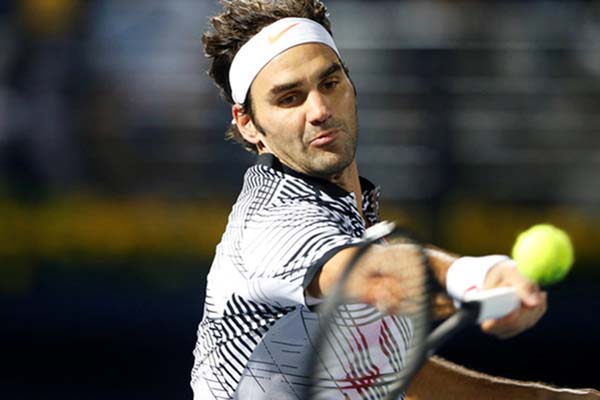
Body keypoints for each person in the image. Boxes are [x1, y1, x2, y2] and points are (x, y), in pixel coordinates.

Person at [191, 1, 599, 399]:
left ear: (350, 83)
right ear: (248, 125)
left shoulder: (352, 217)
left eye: (329, 83)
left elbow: (392, 377)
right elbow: (375, 277)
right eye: (289, 98)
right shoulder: (269, 221)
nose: (318, 110)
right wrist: (473, 276)